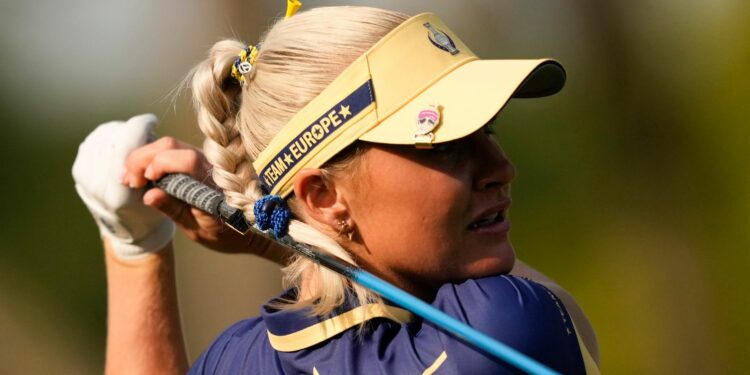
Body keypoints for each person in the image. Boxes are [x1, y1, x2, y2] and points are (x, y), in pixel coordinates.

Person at [73, 5, 600, 374]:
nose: (500, 167)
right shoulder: (502, 327)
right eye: (446, 144)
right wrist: (268, 231)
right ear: (323, 196)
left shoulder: (237, 359)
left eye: (488, 130)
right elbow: (560, 318)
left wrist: (135, 252)